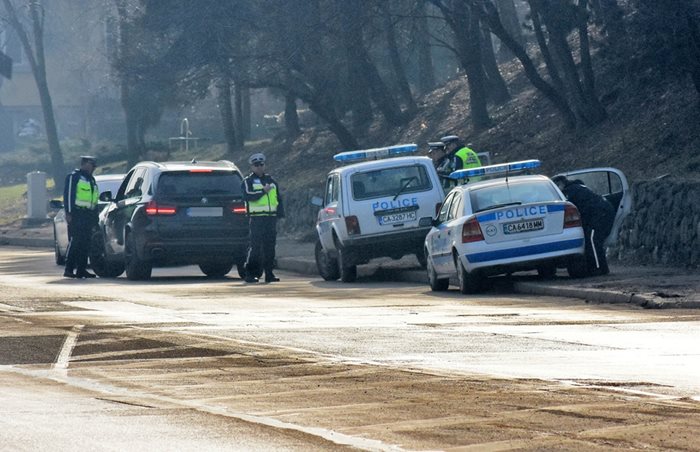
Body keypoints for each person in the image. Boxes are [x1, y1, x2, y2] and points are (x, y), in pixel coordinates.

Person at [552, 175, 616, 276]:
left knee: (592, 240)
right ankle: (600, 268)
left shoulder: (569, 192)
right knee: (593, 239)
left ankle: (598, 269)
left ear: (560, 184)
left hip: (600, 213)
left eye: (556, 186)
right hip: (603, 210)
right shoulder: (577, 187)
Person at [242, 153, 284, 283]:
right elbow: (248, 196)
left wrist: (281, 215)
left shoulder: (271, 181)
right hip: (256, 219)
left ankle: (269, 274)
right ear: (252, 167)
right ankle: (250, 273)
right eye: (256, 165)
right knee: (255, 248)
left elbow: (278, 198)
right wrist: (262, 191)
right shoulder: (247, 181)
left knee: (270, 247)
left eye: (261, 164)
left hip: (270, 219)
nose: (259, 167)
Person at [62, 155, 99, 278]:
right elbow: (68, 195)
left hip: (88, 215)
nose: (93, 168)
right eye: (91, 165)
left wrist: (95, 219)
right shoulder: (74, 176)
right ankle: (69, 268)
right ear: (85, 164)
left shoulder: (91, 180)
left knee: (86, 243)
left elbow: (94, 200)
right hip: (77, 214)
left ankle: (81, 270)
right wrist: (69, 213)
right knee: (76, 241)